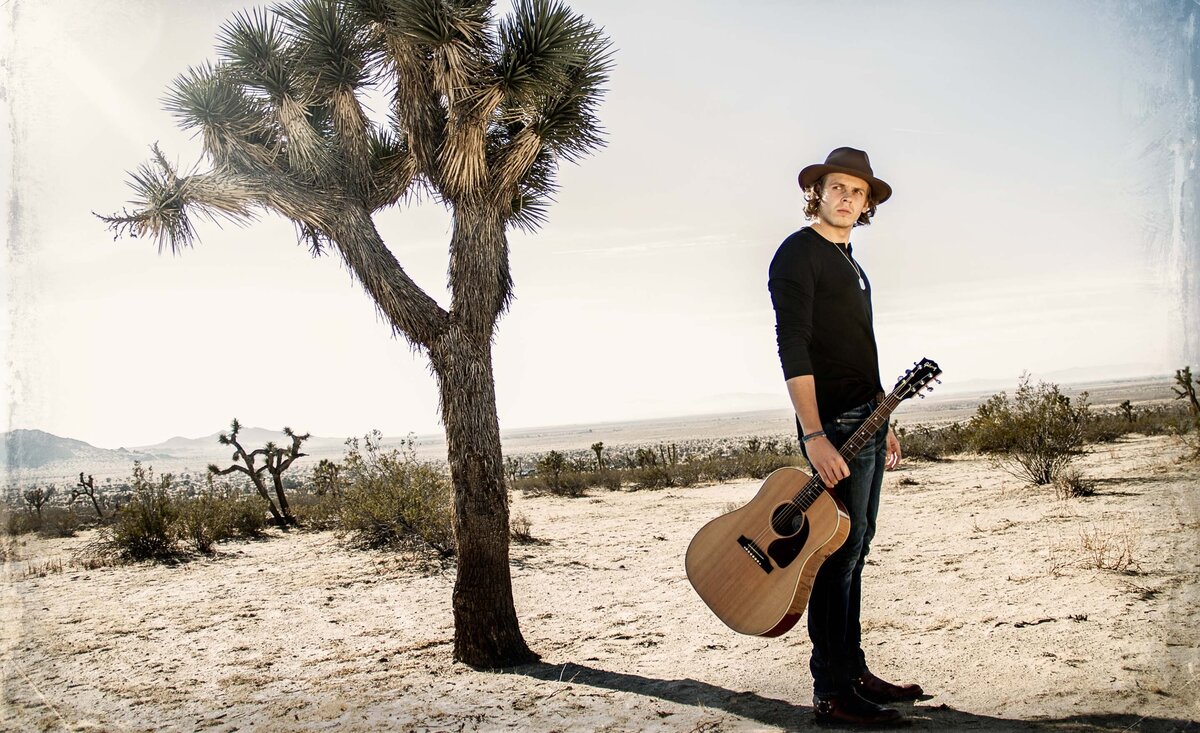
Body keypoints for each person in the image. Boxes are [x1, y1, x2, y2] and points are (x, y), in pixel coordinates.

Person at [768, 146, 924, 726]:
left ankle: (853, 670)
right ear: (819, 192)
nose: (847, 198)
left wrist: (885, 421)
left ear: (867, 204)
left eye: (858, 192)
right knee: (834, 554)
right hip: (830, 425)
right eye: (838, 187)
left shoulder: (853, 263)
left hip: (865, 420)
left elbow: (862, 351)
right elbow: (793, 345)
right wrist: (813, 433)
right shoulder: (797, 254)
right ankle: (831, 691)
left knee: (856, 548)